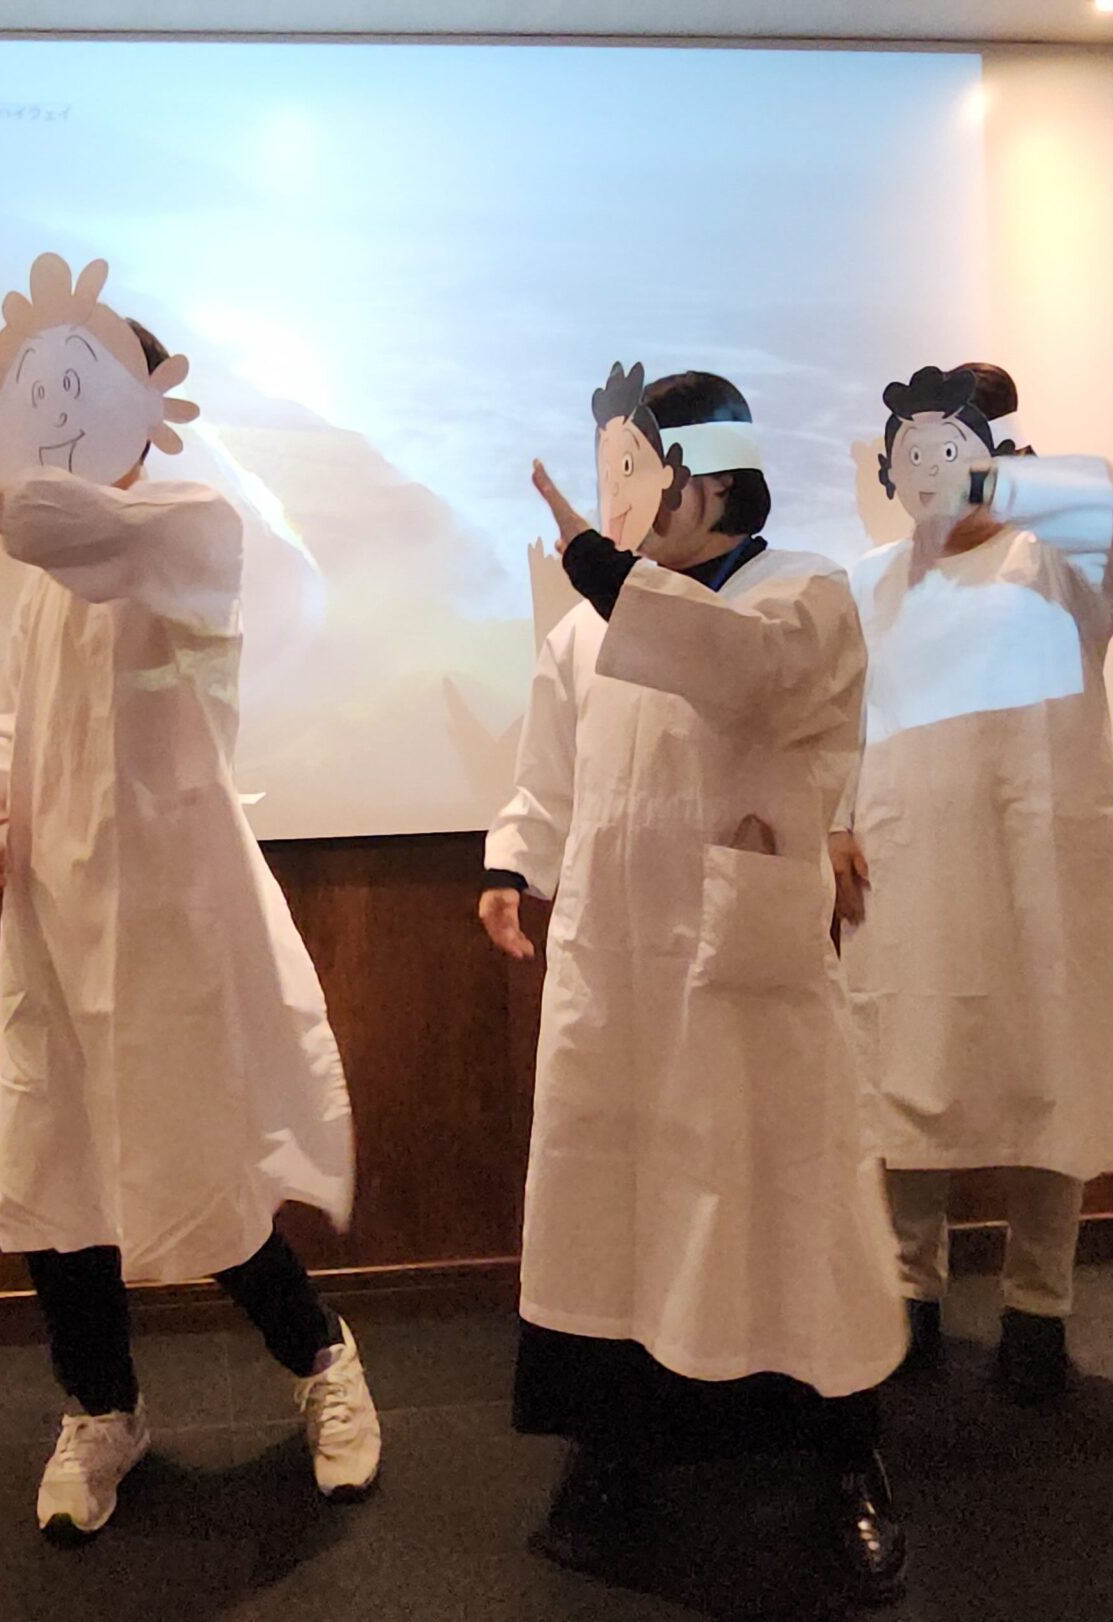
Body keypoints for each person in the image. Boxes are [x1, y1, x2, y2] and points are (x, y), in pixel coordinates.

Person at [0, 254, 380, 1542]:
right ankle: (100, 1409)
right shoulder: (42, 589)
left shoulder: (192, 525)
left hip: (171, 921)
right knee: (58, 1181)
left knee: (204, 1166)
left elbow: (96, 537)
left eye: (80, 395)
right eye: (44, 400)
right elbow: (7, 717)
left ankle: (323, 1360)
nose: (60, 425)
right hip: (55, 920)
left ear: (145, 410)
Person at [483, 363, 908, 1606]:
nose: (621, 502)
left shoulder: (801, 595)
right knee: (616, 1202)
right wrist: (513, 863)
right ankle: (616, 1453)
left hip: (743, 961)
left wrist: (608, 575)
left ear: (709, 479)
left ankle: (846, 1456)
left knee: (791, 1191)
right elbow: (547, 772)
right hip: (616, 967)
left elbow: (749, 674)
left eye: (641, 473)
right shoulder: (583, 630)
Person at [831, 363, 1113, 1402]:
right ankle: (910, 1295)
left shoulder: (1059, 563)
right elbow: (833, 716)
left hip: (1040, 867)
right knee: (908, 1075)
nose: (930, 473)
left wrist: (1009, 482)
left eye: (951, 451)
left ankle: (1039, 1307)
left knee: (1048, 1076)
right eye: (912, 455)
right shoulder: (867, 582)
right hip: (904, 860)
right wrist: (832, 821)